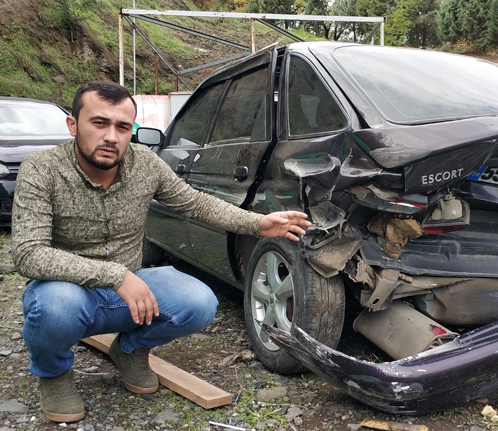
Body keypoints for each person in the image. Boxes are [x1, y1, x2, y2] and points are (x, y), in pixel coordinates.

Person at [11, 81, 311, 423]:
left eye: (123, 127)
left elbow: (195, 203)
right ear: (73, 125)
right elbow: (28, 253)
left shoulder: (146, 165)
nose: (111, 136)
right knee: (53, 307)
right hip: (69, 291)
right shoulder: (41, 169)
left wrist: (258, 224)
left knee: (199, 303)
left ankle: (130, 350)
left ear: (131, 132)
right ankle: (54, 374)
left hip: (130, 294)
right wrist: (116, 275)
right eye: (99, 123)